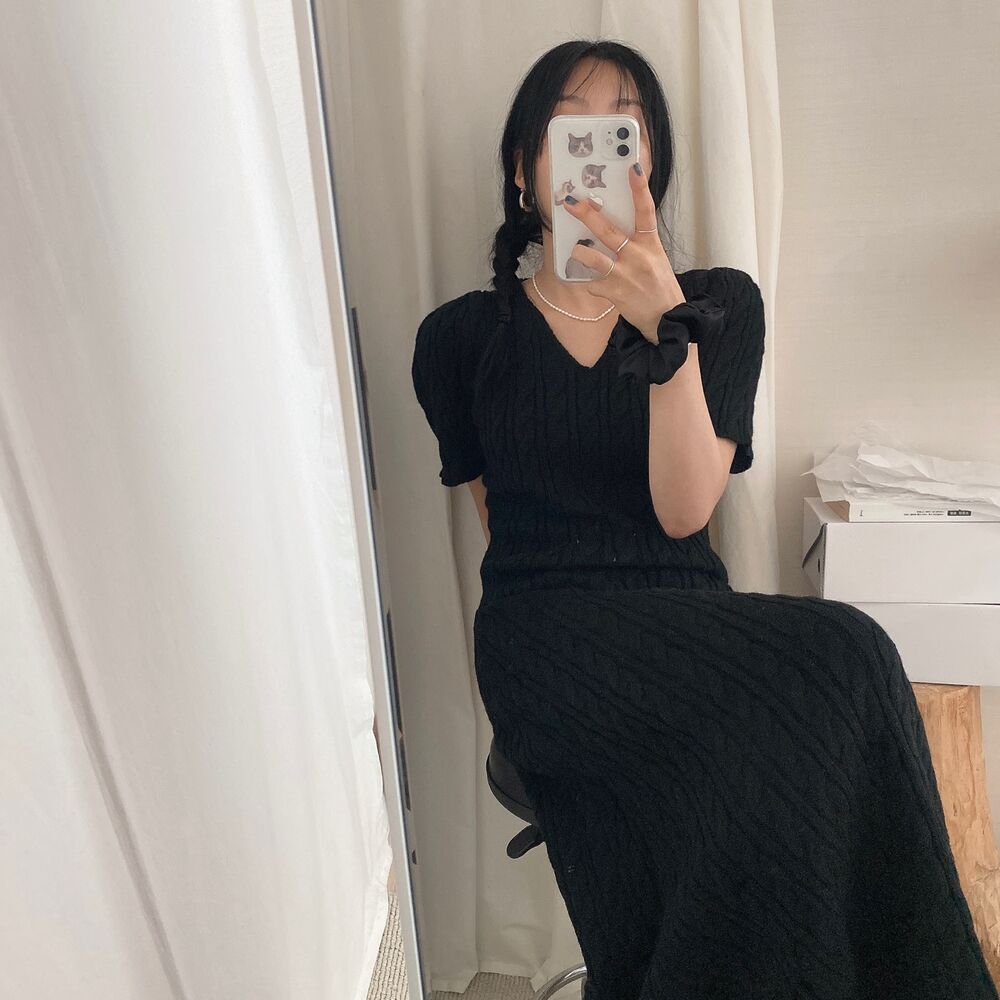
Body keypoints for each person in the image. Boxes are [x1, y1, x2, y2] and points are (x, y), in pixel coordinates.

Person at [410, 39, 997, 1000]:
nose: (598, 149)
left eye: (623, 129)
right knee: (834, 657)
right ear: (524, 167)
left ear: (651, 163)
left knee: (837, 672)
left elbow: (684, 511)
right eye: (570, 126)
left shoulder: (719, 307)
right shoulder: (459, 338)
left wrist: (665, 330)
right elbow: (497, 526)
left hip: (683, 606)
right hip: (541, 628)